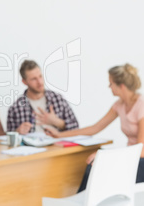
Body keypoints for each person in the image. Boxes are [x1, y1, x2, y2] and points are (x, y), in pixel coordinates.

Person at [45, 63, 144, 192]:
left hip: (140, 160)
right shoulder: (119, 105)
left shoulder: (141, 106)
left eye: (111, 83)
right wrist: (59, 135)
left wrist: (104, 155)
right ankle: (82, 200)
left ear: (121, 86)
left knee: (98, 161)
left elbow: (141, 150)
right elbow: (95, 128)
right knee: (93, 163)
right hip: (130, 158)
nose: (109, 87)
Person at [7, 60, 79, 135]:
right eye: (34, 79)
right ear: (24, 82)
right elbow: (8, 138)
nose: (40, 82)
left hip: (58, 145)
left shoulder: (57, 99)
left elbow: (76, 127)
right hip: (31, 146)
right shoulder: (15, 108)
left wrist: (57, 122)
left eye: (40, 76)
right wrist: (17, 132)